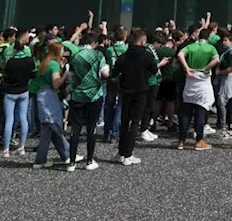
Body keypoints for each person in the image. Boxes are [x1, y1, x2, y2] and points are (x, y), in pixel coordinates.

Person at [67, 27, 110, 170]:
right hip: (94, 95)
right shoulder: (98, 55)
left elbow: (70, 75)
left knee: (75, 130)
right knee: (91, 129)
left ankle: (71, 162)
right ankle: (89, 161)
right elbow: (105, 73)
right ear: (94, 43)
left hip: (77, 95)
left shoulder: (75, 55)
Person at [112, 28, 153, 165]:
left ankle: (121, 152)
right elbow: (154, 69)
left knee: (124, 121)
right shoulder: (146, 55)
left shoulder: (124, 55)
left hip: (126, 90)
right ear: (142, 41)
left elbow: (115, 72)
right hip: (141, 90)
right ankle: (128, 154)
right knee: (135, 122)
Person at [177, 27, 218, 150]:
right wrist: (206, 68)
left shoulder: (191, 47)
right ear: (208, 38)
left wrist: (187, 67)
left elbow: (180, 54)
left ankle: (181, 141)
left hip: (190, 80)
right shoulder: (210, 48)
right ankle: (199, 140)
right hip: (203, 82)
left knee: (185, 112)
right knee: (200, 111)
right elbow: (216, 59)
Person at [32, 41, 70, 169]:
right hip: (49, 97)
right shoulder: (54, 65)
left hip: (42, 95)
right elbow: (56, 84)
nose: (63, 52)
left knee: (52, 128)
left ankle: (67, 155)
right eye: (62, 50)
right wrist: (65, 74)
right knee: (50, 126)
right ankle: (40, 160)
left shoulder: (45, 62)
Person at [0, 31, 35, 157]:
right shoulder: (30, 60)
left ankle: (6, 149)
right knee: (23, 118)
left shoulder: (11, 62)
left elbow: (6, 74)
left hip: (10, 92)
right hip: (24, 90)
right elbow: (33, 75)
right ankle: (22, 146)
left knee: (9, 119)